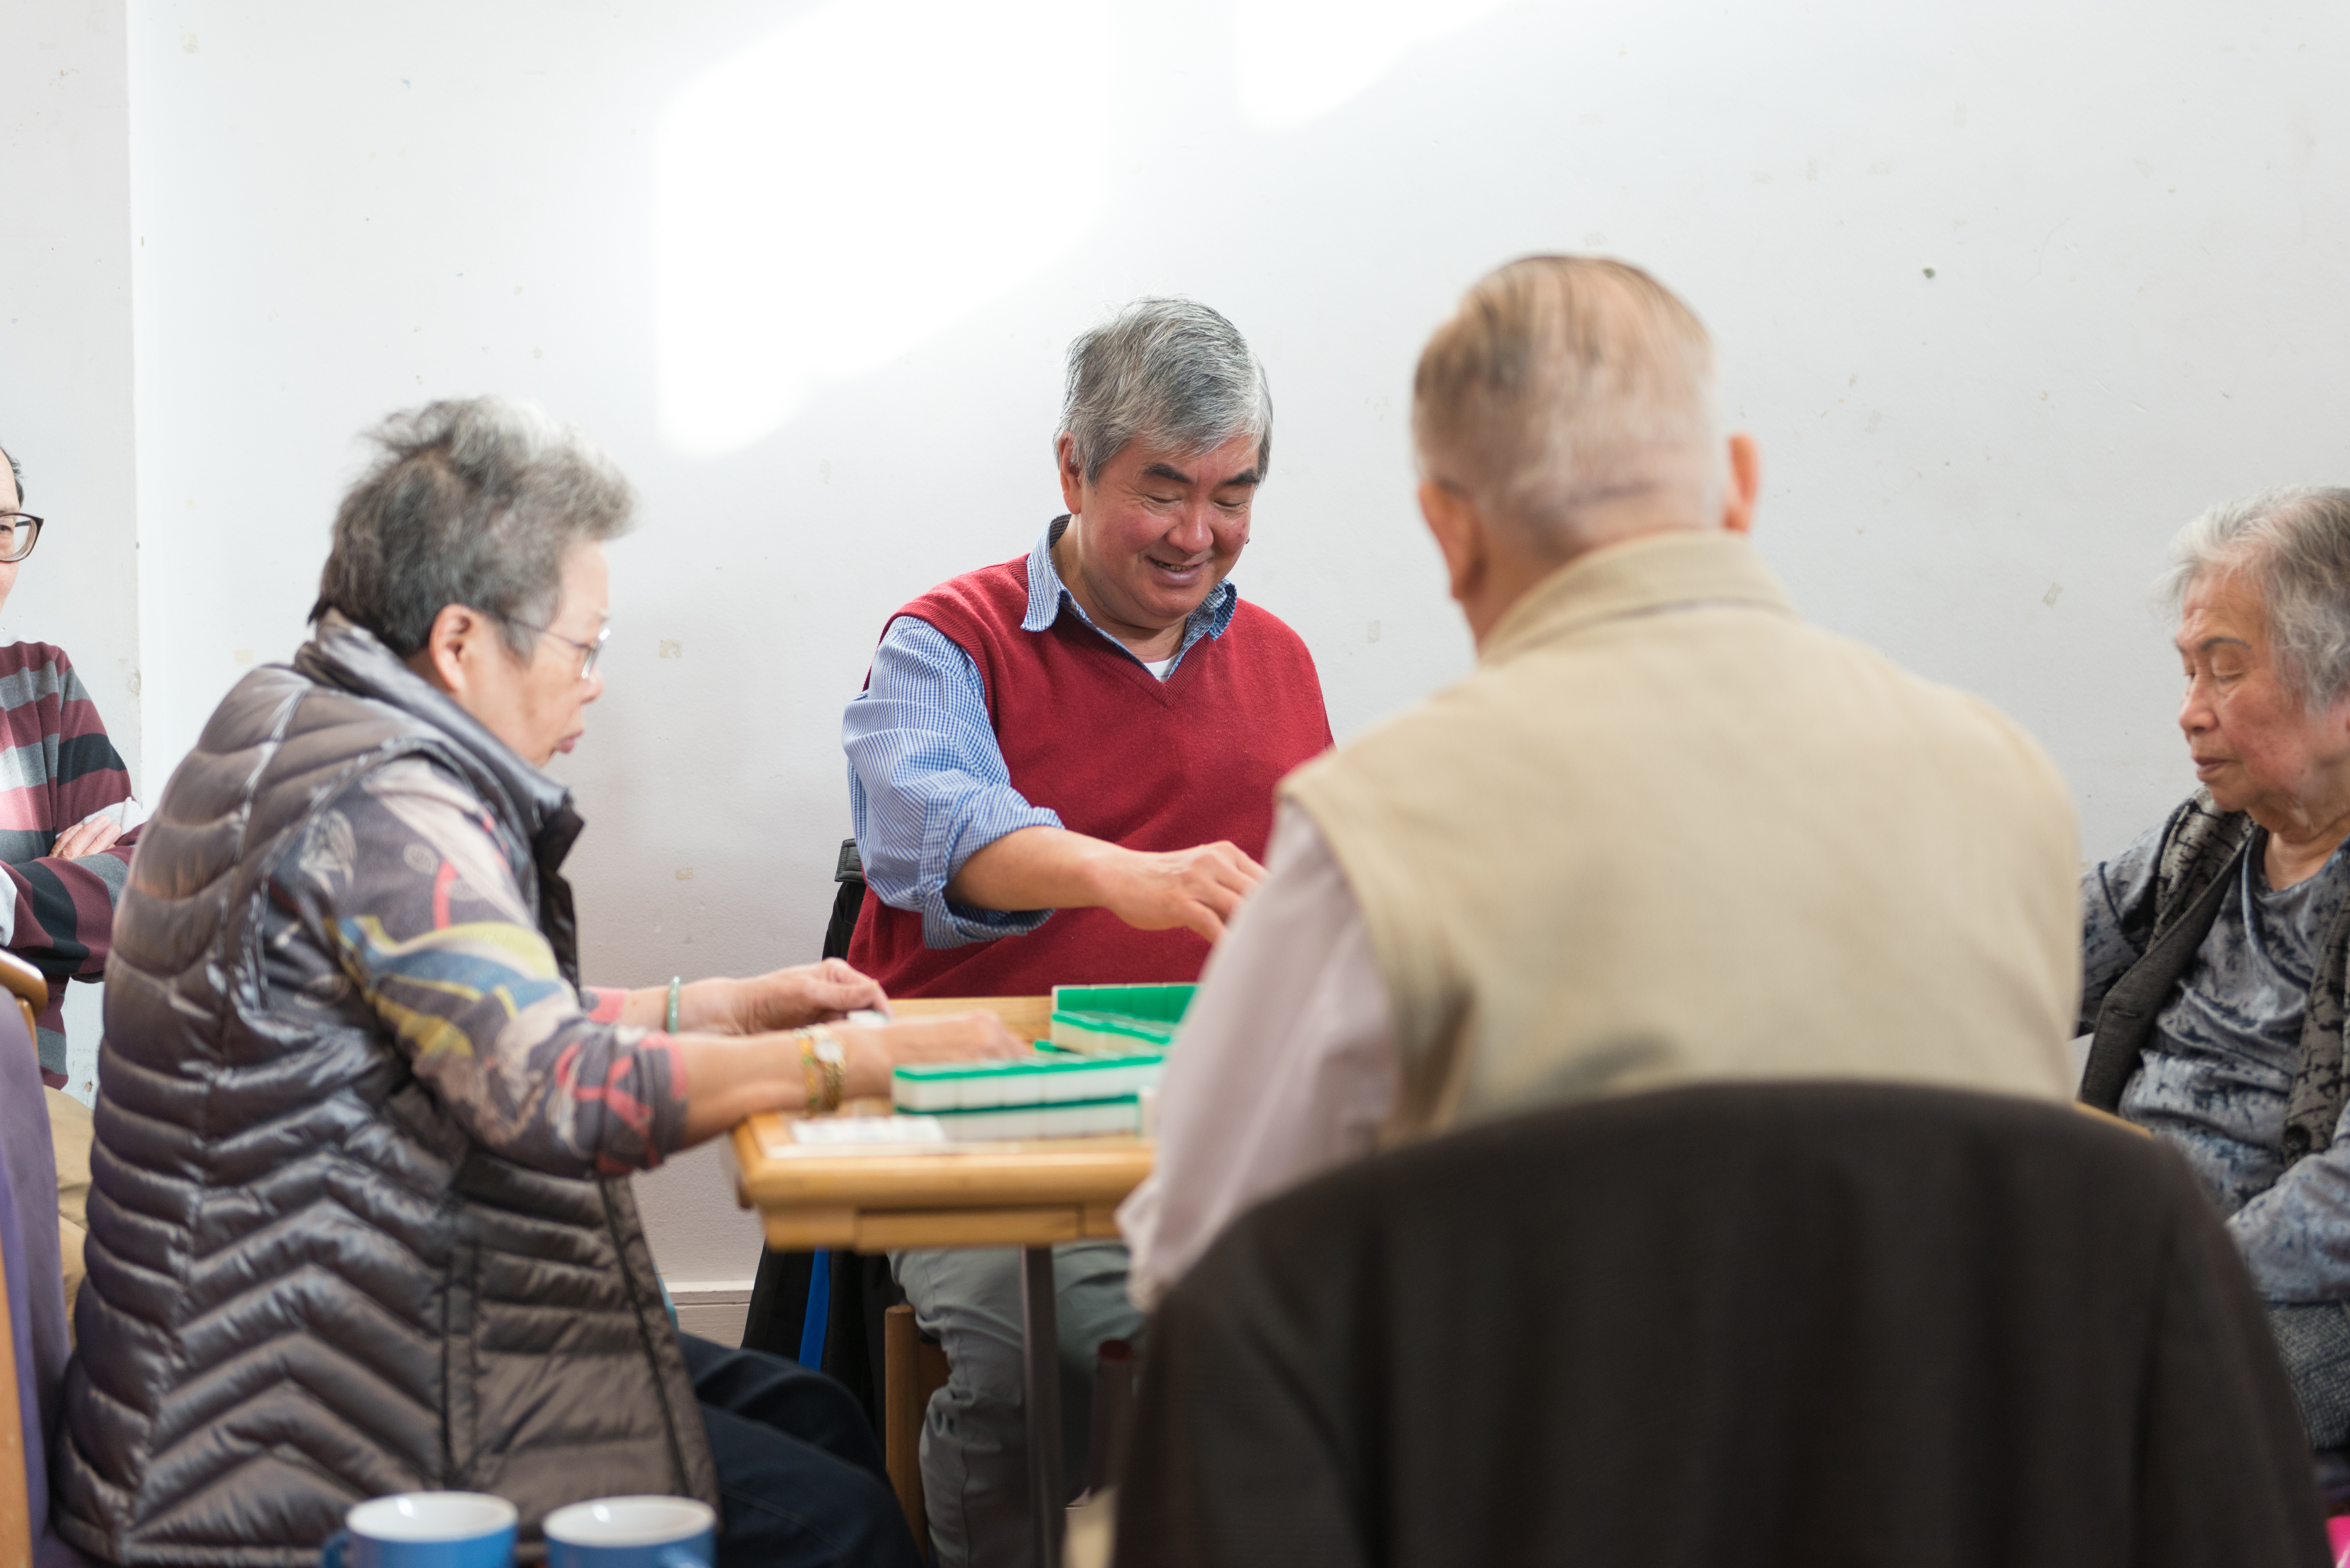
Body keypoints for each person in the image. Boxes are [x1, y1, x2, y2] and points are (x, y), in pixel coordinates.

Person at [52, 398, 1021, 1568]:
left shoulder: (298, 720)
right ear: (462, 642)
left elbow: (456, 1029)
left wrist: (712, 1007)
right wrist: (852, 1059)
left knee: (818, 1415)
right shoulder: (387, 806)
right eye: (582, 645)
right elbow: (553, 1091)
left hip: (310, 1347)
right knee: (837, 1521)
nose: (596, 684)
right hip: (289, 1432)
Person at [1121, 254, 2085, 1306]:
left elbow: (1201, 1270)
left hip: (1543, 1466)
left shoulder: (1381, 826)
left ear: (1448, 531)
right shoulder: (2008, 783)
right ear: (1740, 486)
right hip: (1946, 1465)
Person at [832, 298, 1332, 1567]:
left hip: (1214, 1116)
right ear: (1071, 466)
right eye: (1161, 490)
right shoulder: (948, 643)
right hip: (975, 1119)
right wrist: (1129, 879)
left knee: (1395, 1314)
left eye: (1233, 494)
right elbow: (940, 836)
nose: (1197, 534)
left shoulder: (1278, 660)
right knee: (1045, 1346)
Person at [2077, 485, 2350, 1451]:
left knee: (2093, 1408)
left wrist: (2150, 1273)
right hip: (2139, 1248)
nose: (2189, 714)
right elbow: (2022, 956)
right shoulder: (2206, 837)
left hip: (2303, 1298)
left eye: (2224, 671)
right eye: (2188, 671)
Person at [0, 442, 142, 1087]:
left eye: (4, 527)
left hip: (23, 1097)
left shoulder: (41, 686)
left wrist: (10, 899)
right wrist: (58, 884)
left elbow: (147, 890)